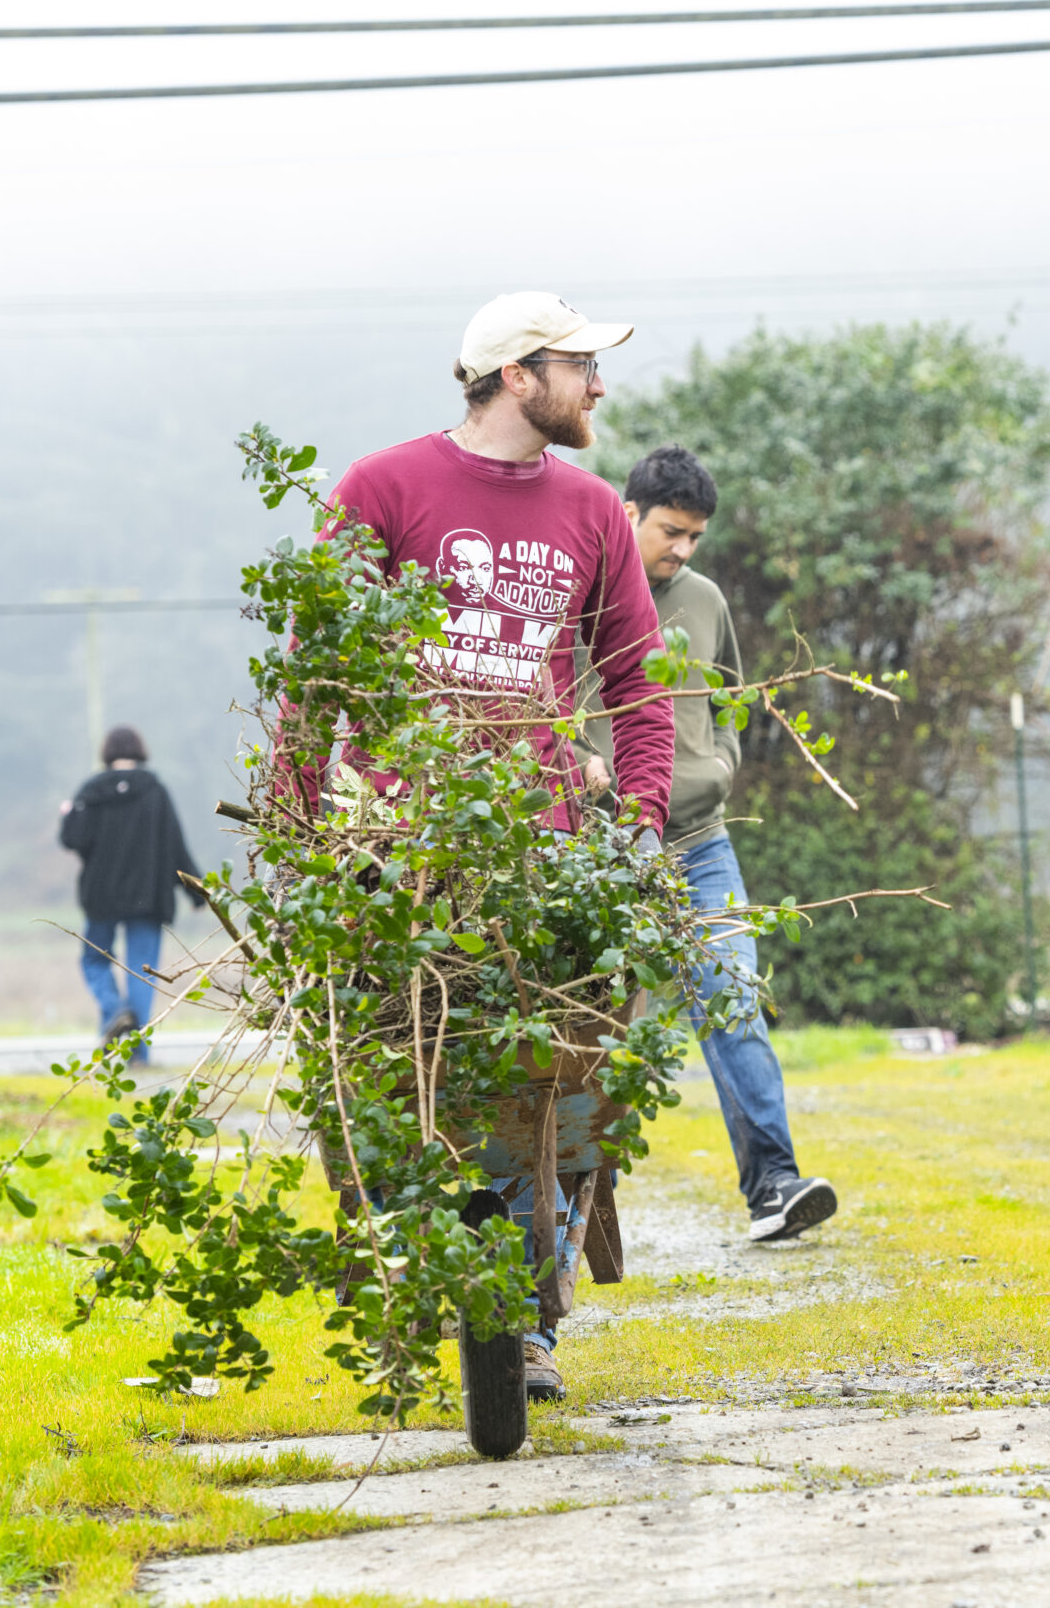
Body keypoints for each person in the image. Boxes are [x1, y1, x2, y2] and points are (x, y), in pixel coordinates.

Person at [325, 290, 676, 1402]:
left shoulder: (593, 513)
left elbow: (636, 683)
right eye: (581, 366)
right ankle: (423, 1274)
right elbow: (315, 672)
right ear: (520, 376)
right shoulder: (379, 490)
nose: (599, 386)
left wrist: (640, 822)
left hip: (547, 860)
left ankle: (531, 1318)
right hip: (403, 851)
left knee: (559, 1087)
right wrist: (303, 824)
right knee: (398, 1077)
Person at [584, 445, 840, 1243]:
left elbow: (729, 699)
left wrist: (720, 763)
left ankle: (774, 1186)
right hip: (599, 847)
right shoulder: (579, 595)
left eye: (695, 535)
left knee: (733, 1003)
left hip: (700, 840)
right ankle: (558, 1208)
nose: (684, 548)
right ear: (627, 513)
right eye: (672, 530)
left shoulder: (704, 600)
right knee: (585, 1034)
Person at [59, 724, 204, 1063]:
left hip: (102, 898)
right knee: (142, 970)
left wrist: (68, 814)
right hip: (147, 898)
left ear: (107, 753)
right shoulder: (155, 791)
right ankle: (137, 1054)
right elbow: (175, 846)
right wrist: (199, 893)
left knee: (94, 959)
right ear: (140, 750)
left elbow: (72, 840)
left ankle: (114, 1013)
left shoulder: (91, 791)